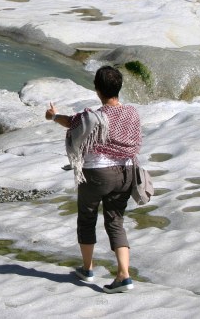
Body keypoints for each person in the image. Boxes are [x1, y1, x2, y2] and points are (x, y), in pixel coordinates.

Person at [45, 66, 142, 293]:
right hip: (127, 172)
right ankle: (124, 275)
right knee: (116, 221)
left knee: (87, 219)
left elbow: (71, 122)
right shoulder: (132, 113)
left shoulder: (93, 116)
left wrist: (53, 116)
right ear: (119, 88)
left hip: (97, 174)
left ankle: (87, 269)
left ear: (97, 89)